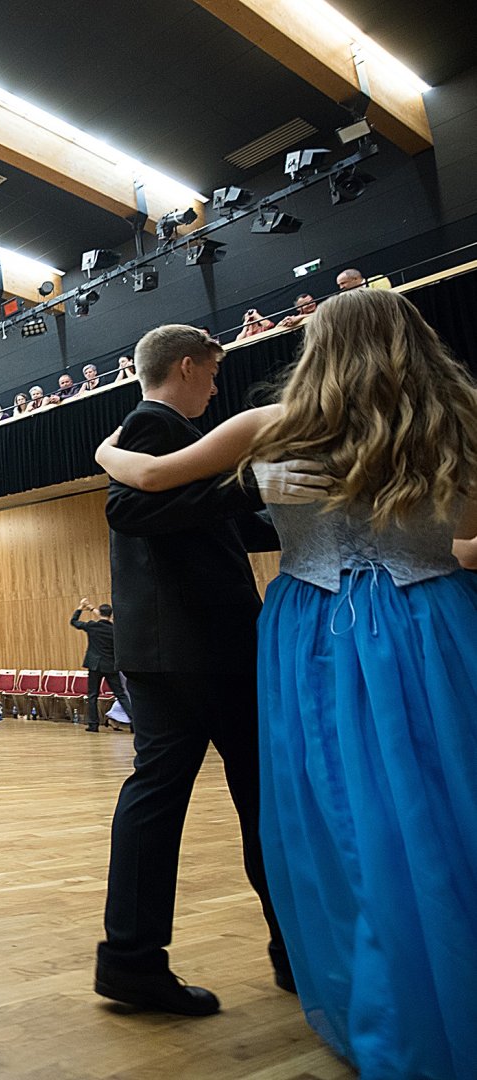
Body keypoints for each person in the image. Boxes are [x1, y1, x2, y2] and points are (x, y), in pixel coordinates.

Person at [96, 288, 477, 1077]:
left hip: (320, 626)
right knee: (443, 795)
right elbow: (466, 538)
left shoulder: (276, 426)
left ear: (319, 351)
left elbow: (150, 479)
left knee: (336, 806)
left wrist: (104, 448)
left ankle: (351, 973)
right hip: (431, 620)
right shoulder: (455, 422)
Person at [90, 323, 299, 1016]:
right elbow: (129, 509)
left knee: (158, 799)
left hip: (162, 650)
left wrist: (275, 509)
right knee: (262, 800)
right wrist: (250, 486)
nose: (214, 388)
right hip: (206, 648)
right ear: (186, 365)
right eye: (211, 373)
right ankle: (295, 951)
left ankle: (131, 959)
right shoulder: (157, 425)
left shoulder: (154, 434)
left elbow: (199, 523)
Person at [69, 600, 132, 731]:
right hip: (110, 665)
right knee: (121, 695)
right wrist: (93, 609)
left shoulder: (92, 626)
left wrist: (81, 607)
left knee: (93, 696)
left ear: (100, 613)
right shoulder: (115, 629)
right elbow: (106, 620)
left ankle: (93, 725)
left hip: (95, 665)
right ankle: (135, 722)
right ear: (111, 614)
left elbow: (73, 622)